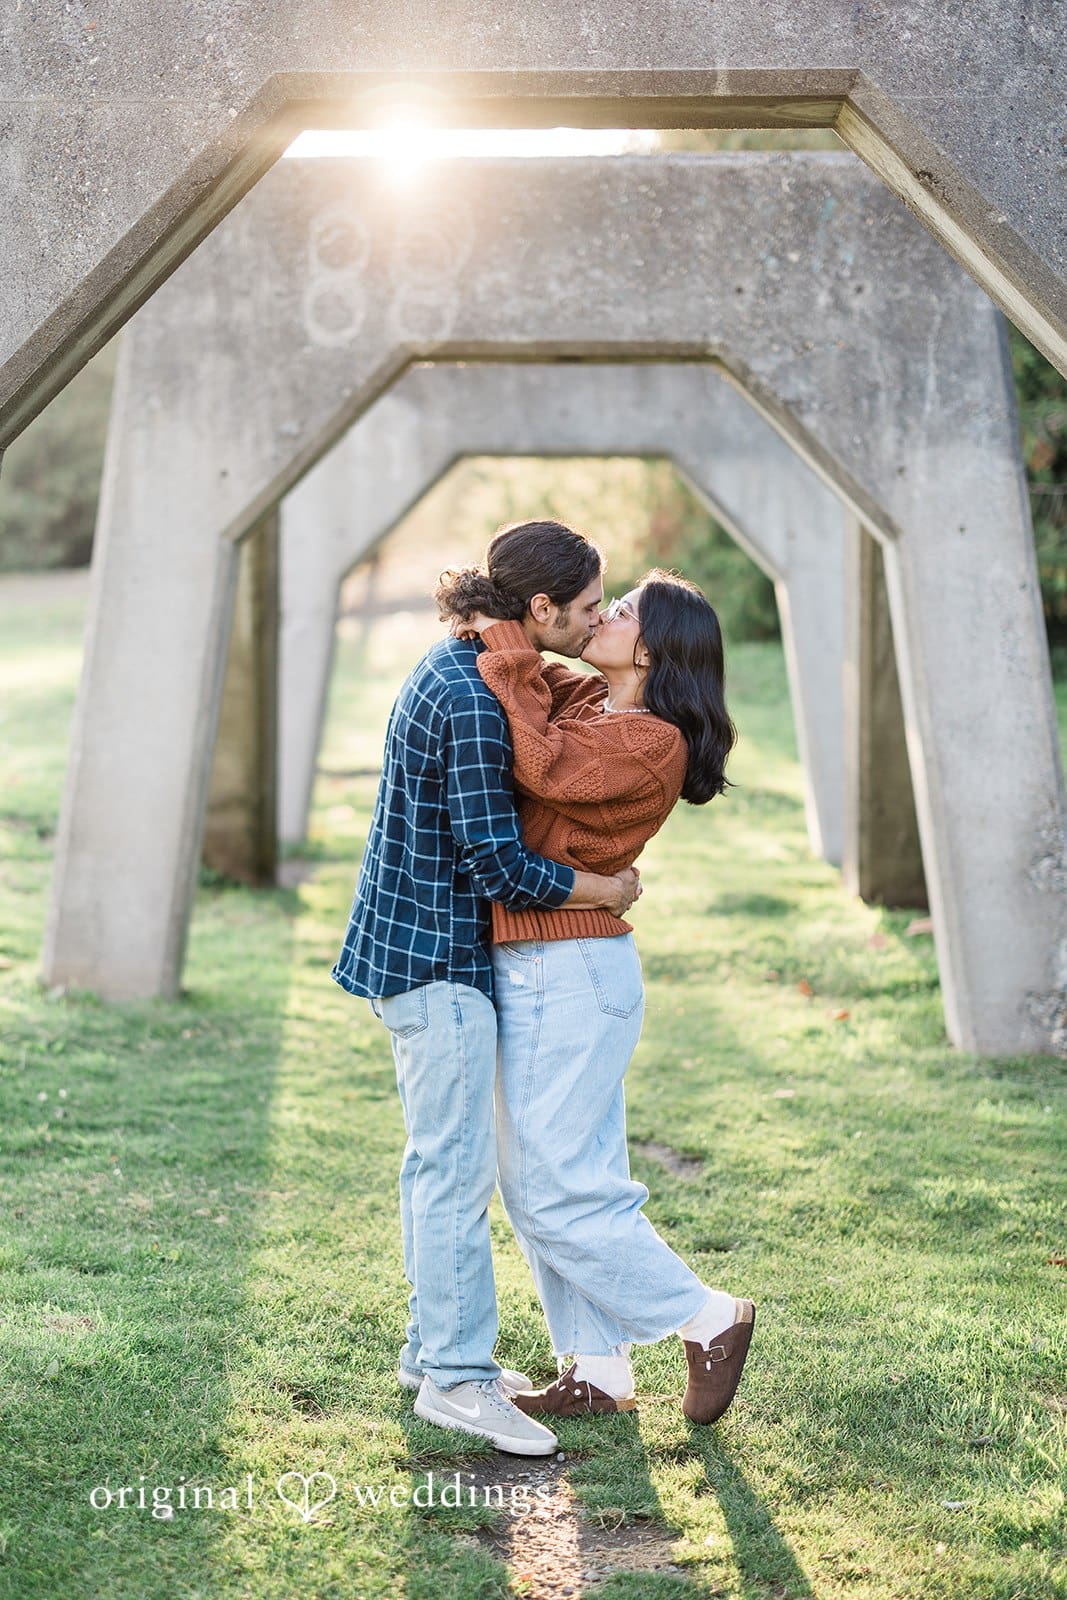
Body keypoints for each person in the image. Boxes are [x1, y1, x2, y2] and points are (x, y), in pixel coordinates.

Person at [331, 520, 641, 1457]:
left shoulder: (471, 663)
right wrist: (605, 888)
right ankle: (458, 1384)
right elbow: (494, 861)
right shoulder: (469, 696)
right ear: (537, 607)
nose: (594, 623)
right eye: (586, 608)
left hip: (434, 955)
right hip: (436, 962)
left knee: (442, 1164)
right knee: (452, 1171)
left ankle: (436, 1354)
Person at [444, 567, 756, 1425]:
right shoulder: (599, 705)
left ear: (651, 648)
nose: (599, 618)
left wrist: (505, 655)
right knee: (565, 1176)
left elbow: (539, 764)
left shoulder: (651, 738)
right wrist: (505, 626)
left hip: (570, 973)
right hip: (553, 964)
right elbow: (542, 691)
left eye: (616, 612)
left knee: (548, 1188)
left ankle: (704, 1316)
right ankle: (597, 1369)